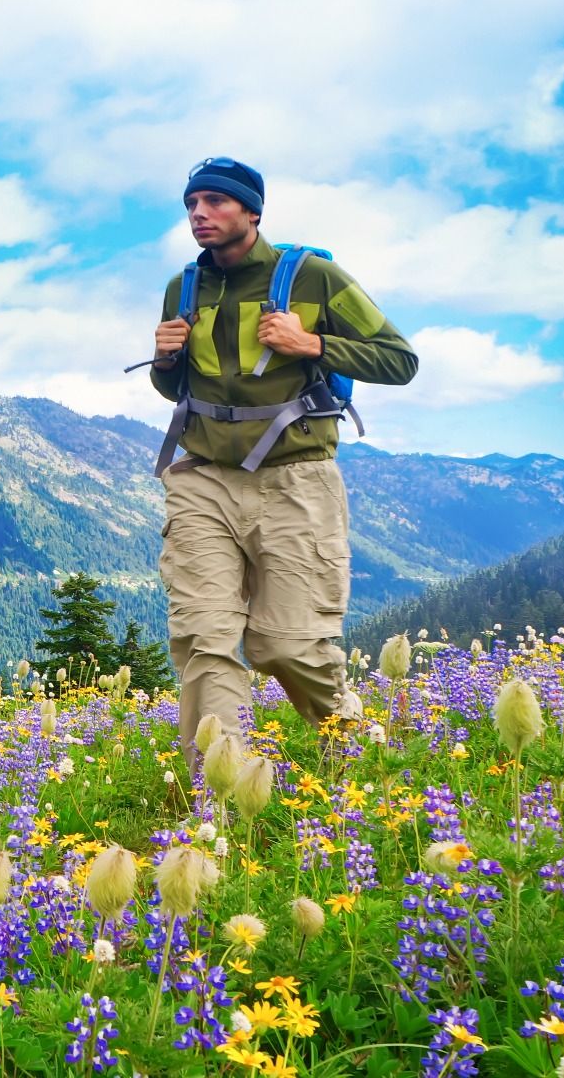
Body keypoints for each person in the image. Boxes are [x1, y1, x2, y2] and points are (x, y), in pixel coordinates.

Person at [148, 157, 418, 762]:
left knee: (286, 644)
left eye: (216, 201)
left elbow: (399, 360)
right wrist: (165, 360)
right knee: (203, 639)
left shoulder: (314, 278)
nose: (199, 214)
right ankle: (217, 797)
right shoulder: (183, 288)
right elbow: (178, 392)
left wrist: (312, 344)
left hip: (296, 479)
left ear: (252, 210)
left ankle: (350, 749)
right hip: (201, 478)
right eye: (192, 204)